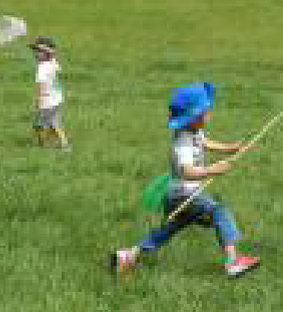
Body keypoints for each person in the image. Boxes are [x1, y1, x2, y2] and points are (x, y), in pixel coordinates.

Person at [111, 82, 261, 278]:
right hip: (184, 193)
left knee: (170, 228)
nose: (209, 114)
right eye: (206, 111)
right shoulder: (182, 142)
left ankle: (128, 256)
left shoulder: (193, 131)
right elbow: (187, 172)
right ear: (193, 117)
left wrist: (229, 148)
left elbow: (205, 143)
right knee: (219, 211)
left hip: (179, 195)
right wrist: (212, 170)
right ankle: (233, 261)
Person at [31, 36, 69, 150]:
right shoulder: (53, 63)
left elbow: (41, 86)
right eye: (35, 51)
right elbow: (57, 68)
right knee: (51, 123)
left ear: (46, 53)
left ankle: (60, 144)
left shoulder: (42, 68)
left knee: (42, 125)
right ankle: (50, 143)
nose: (36, 54)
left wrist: (38, 101)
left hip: (47, 102)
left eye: (39, 52)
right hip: (57, 99)